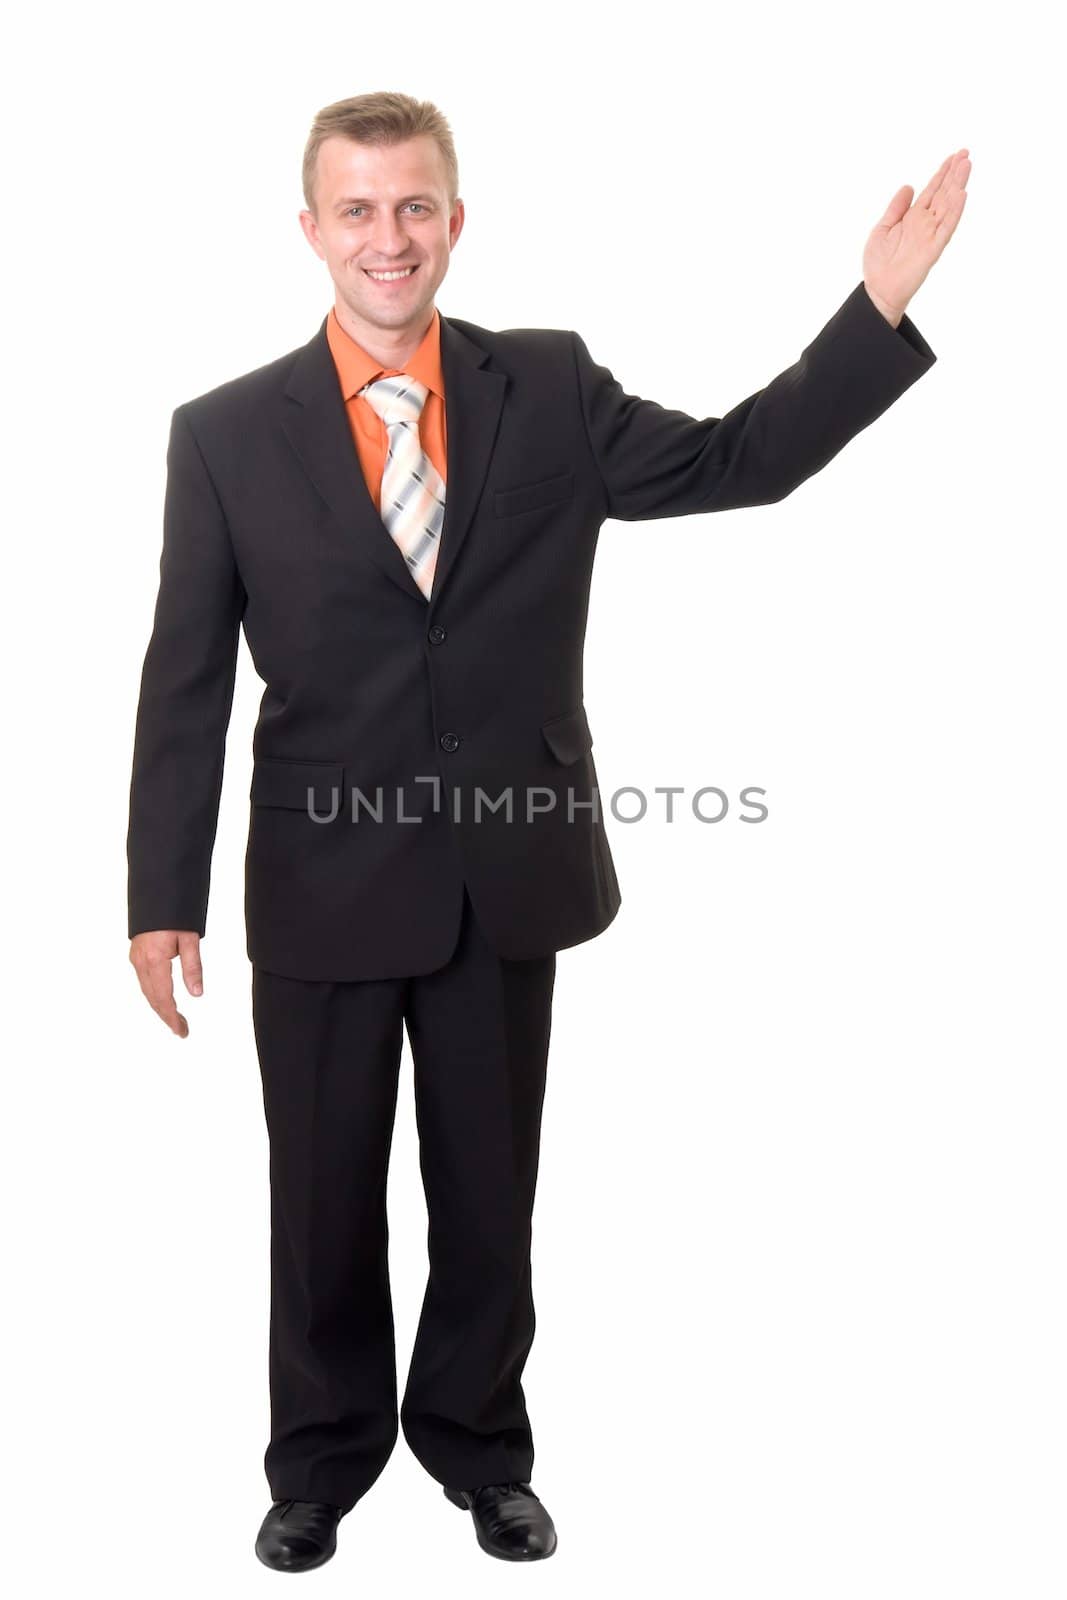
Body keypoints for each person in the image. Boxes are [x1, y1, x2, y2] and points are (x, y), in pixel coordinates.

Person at [126, 90, 970, 1569]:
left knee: (487, 1195)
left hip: (503, 881)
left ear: (457, 218)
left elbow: (738, 461)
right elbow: (184, 676)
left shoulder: (549, 388)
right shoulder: (222, 437)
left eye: (416, 207)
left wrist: (874, 311)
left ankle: (477, 1448)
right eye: (358, 210)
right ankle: (319, 1462)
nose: (389, 239)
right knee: (319, 1199)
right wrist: (159, 893)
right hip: (320, 883)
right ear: (311, 230)